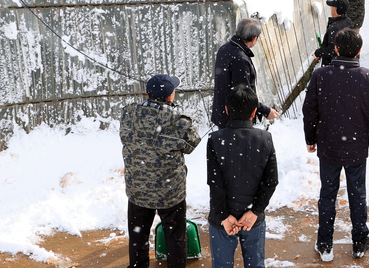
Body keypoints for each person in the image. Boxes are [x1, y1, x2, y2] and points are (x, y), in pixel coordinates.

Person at [303, 28, 369, 262]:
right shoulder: (368, 78)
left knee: (327, 194)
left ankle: (325, 244)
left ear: (336, 49)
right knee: (357, 194)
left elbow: (309, 110)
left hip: (328, 146)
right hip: (356, 147)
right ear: (359, 51)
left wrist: (310, 138)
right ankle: (359, 242)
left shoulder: (321, 76)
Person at [120, 74, 202, 268]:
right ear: (169, 96)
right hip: (170, 193)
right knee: (175, 238)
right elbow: (192, 143)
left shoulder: (128, 114)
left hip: (138, 190)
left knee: (138, 238)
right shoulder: (177, 121)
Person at [207, 86, 279, 268]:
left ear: (226, 110)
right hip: (252, 221)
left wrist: (224, 216)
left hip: (221, 221)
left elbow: (215, 184)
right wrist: (255, 211)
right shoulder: (265, 139)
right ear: (254, 111)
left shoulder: (216, 139)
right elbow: (271, 182)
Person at [212, 17, 280, 128]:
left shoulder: (224, 49)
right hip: (235, 120)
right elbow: (244, 96)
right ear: (254, 39)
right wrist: (266, 111)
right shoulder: (240, 60)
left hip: (223, 114)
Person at [313, 0, 353, 66]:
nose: (331, 8)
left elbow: (332, 50)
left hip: (333, 66)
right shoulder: (347, 21)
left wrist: (318, 52)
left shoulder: (335, 28)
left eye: (332, 7)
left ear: (337, 10)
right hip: (343, 63)